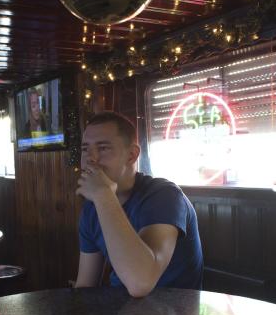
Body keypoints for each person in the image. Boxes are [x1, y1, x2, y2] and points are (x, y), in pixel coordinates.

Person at [74, 111, 203, 297]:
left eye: (103, 148)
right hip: (120, 314)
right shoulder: (92, 209)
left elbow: (140, 283)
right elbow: (86, 285)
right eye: (85, 149)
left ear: (132, 155)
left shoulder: (164, 195)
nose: (90, 158)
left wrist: (103, 195)